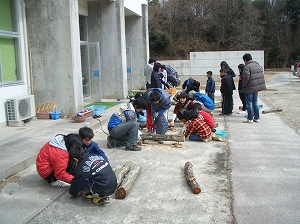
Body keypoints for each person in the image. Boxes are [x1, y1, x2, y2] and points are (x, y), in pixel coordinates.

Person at [242, 53, 266, 123]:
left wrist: (243, 85)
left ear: (245, 60)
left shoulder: (247, 67)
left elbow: (246, 78)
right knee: (255, 102)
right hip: (256, 88)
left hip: (249, 87)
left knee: (249, 103)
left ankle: (250, 118)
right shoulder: (257, 65)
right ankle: (257, 117)